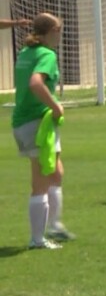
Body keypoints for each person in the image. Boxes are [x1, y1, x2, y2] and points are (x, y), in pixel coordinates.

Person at [11, 13, 73, 249]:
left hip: (23, 122)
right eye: (59, 30)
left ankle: (55, 226)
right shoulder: (47, 55)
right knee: (41, 181)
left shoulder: (26, 53)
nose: (60, 34)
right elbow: (36, 83)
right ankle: (37, 238)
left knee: (56, 172)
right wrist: (55, 105)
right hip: (36, 123)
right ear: (50, 31)